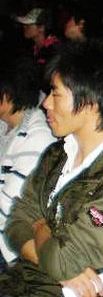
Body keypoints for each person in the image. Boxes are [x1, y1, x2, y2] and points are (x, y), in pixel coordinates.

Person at [0, 40, 103, 297]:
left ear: (90, 104)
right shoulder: (57, 155)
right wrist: (53, 257)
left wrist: (38, 224)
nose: (46, 103)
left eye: (55, 94)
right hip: (21, 284)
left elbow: (64, 260)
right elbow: (14, 225)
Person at [0, 55, 56, 272]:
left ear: (6, 96)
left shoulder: (37, 137)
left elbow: (11, 208)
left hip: (9, 244)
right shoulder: (6, 124)